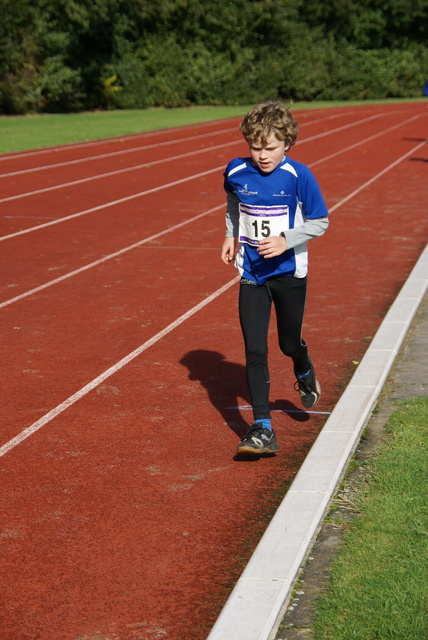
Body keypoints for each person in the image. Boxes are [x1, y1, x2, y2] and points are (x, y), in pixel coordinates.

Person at [221, 100, 329, 455]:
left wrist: (285, 240)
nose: (262, 155)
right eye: (256, 147)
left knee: (287, 343)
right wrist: (230, 235)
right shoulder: (236, 171)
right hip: (252, 272)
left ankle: (302, 364)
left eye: (270, 147)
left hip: (288, 273)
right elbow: (233, 204)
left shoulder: (299, 176)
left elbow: (320, 221)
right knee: (254, 349)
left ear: (287, 144)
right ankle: (263, 428)